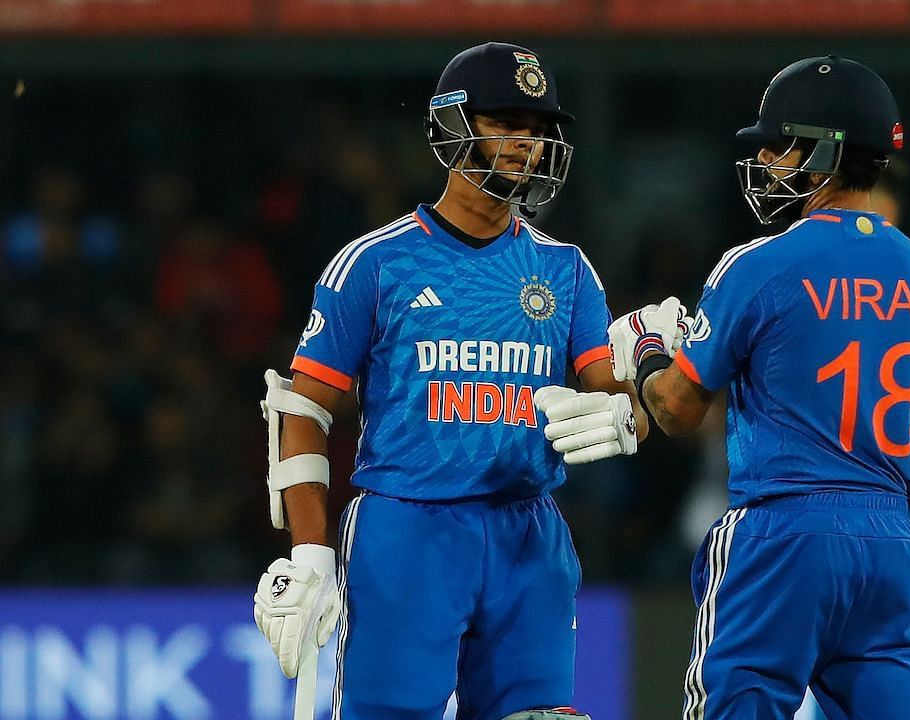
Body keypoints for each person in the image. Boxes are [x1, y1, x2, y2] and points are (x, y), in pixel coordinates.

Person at [251, 42, 654, 720]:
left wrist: (628, 414)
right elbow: (303, 408)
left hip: (529, 535)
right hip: (406, 529)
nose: (527, 143)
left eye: (537, 128)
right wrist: (313, 552)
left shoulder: (568, 269)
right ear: (453, 125)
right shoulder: (374, 262)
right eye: (507, 123)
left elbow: (610, 401)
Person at [608, 56, 910, 720]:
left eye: (780, 144)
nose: (767, 160)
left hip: (780, 533)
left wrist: (646, 353)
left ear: (825, 151)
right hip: (889, 544)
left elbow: (675, 410)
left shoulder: (759, 266)